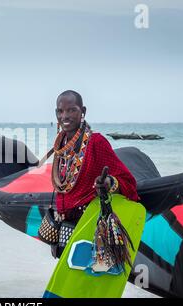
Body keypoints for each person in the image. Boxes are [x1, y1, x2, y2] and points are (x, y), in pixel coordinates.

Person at [47, 90, 139, 257]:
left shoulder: (96, 142)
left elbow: (128, 182)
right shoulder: (61, 146)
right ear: (56, 114)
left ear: (83, 111)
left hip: (90, 226)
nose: (65, 116)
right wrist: (57, 238)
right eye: (61, 111)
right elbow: (62, 189)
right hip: (65, 229)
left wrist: (108, 183)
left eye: (72, 110)